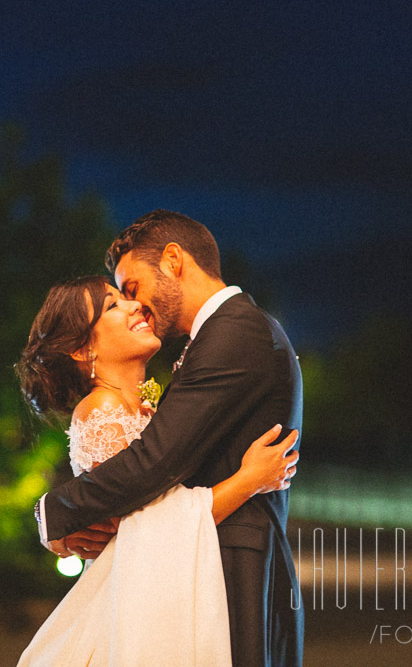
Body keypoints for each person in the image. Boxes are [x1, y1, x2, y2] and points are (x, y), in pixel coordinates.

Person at [35, 210, 304, 666]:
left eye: (132, 289)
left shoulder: (233, 332)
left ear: (174, 260)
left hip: (232, 571)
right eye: (119, 301)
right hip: (192, 581)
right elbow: (156, 480)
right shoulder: (216, 338)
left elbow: (153, 462)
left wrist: (55, 513)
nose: (136, 305)